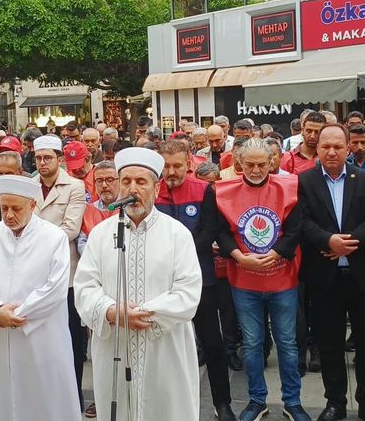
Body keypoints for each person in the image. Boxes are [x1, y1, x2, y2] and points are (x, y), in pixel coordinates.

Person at [76, 148, 202, 421]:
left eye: (141, 182)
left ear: (156, 189)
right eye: (126, 181)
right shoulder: (100, 235)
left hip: (164, 347)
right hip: (114, 343)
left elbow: (188, 293)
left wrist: (141, 314)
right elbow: (85, 287)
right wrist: (111, 311)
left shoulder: (177, 234)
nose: (132, 188)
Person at [0, 174, 79, 421]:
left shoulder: (54, 237)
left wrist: (15, 315)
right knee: (3, 398)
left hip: (41, 336)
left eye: (16, 208)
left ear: (32, 205)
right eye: (4, 208)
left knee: (44, 400)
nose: (9, 215)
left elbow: (55, 289)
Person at [216, 139, 310, 421]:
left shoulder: (291, 186)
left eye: (262, 164)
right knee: (253, 344)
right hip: (244, 280)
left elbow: (296, 228)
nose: (256, 170)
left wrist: (277, 252)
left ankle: (292, 402)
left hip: (282, 279)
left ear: (272, 162)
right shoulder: (222, 191)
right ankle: (257, 400)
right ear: (239, 164)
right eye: (250, 164)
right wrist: (237, 256)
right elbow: (220, 231)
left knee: (288, 343)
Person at [298, 125, 365, 421]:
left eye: (338, 146)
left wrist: (347, 244)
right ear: (317, 148)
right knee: (329, 342)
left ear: (349, 147)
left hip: (364, 276)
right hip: (325, 278)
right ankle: (335, 401)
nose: (332, 152)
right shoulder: (304, 181)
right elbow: (303, 221)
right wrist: (327, 241)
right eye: (326, 147)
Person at [154, 140, 234, 421]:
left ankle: (222, 403)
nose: (172, 172)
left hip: (201, 277)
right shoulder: (151, 192)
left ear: (189, 162)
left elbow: (210, 230)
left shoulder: (204, 190)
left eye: (177, 165)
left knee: (212, 342)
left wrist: (180, 252)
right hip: (160, 282)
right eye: (166, 166)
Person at [33, 134, 88, 410]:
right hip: (33, 273)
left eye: (48, 158)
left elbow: (71, 229)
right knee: (41, 338)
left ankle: (73, 393)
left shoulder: (74, 187)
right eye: (38, 158)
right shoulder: (29, 186)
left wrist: (34, 239)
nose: (42, 163)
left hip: (67, 274)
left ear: (59, 159)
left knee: (71, 339)